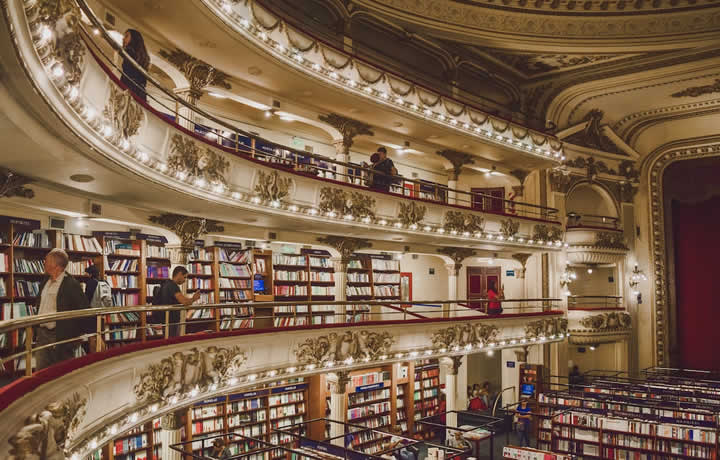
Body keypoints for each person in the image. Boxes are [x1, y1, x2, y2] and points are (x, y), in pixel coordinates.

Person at [36, 249, 97, 370]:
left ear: (56, 265)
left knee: (61, 371)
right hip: (42, 334)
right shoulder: (45, 282)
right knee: (41, 371)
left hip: (60, 335)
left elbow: (83, 309)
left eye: (47, 261)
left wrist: (76, 338)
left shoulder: (71, 284)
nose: (44, 263)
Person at [154, 266, 201, 337]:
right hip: (172, 321)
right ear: (179, 274)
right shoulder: (173, 286)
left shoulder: (165, 284)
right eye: (184, 277)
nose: (185, 280)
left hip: (165, 320)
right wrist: (194, 298)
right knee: (173, 341)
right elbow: (184, 301)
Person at [121, 29, 150, 101]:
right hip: (140, 91)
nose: (123, 38)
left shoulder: (129, 51)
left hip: (129, 88)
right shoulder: (144, 57)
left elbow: (127, 73)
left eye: (126, 36)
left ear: (133, 39)